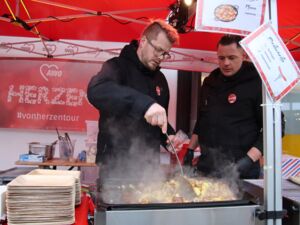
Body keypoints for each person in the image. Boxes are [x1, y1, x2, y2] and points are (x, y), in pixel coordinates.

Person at [87, 20, 179, 181]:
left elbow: (157, 120)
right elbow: (95, 91)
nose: (160, 57)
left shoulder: (161, 80)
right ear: (143, 41)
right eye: (158, 50)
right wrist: (145, 104)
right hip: (115, 168)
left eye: (165, 53)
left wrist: (168, 137)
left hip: (148, 169)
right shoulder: (117, 67)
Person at [184, 35, 264, 179]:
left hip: (241, 170)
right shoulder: (210, 82)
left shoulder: (257, 83)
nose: (226, 63)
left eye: (232, 57)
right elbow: (202, 120)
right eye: (221, 58)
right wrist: (190, 150)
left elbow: (273, 127)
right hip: (207, 167)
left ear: (243, 55)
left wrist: (248, 160)